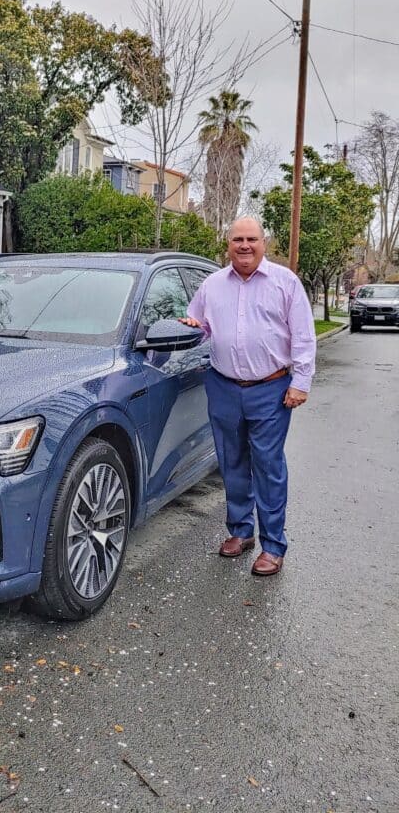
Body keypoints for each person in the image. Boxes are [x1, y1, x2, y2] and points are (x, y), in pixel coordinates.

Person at [181, 217, 315, 576]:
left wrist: (300, 382)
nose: (244, 245)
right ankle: (241, 532)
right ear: (228, 244)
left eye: (251, 239)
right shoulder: (212, 285)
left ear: (263, 243)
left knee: (268, 465)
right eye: (237, 239)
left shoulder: (285, 283)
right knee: (232, 462)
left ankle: (273, 545)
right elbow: (200, 325)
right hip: (223, 386)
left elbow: (303, 336)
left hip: (270, 389)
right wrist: (194, 328)